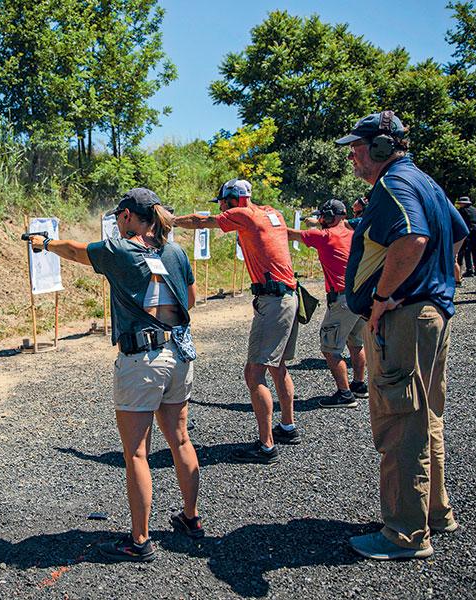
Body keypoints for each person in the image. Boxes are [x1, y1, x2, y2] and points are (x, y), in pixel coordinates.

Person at [28, 188, 201, 562]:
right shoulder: (174, 251)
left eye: (119, 216)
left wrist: (45, 244)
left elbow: (75, 250)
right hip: (179, 352)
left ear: (126, 216)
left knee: (137, 453)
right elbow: (189, 298)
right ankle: (191, 518)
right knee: (181, 440)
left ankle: (139, 541)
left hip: (142, 360)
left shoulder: (121, 250)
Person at [337, 110, 468, 560]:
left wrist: (383, 296)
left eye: (358, 147)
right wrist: (444, 275)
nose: (352, 156)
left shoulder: (394, 185)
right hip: (429, 312)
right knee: (427, 415)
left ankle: (405, 531)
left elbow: (411, 238)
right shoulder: (426, 181)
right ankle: (435, 512)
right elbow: (458, 229)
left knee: (401, 420)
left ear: (379, 148)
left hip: (406, 317)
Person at [174, 179, 300, 464]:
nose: (220, 207)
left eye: (222, 201)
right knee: (278, 366)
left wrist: (170, 219)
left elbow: (200, 221)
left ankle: (266, 446)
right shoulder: (272, 213)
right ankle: (287, 427)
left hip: (273, 300)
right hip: (288, 295)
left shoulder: (243, 214)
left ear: (234, 200)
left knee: (254, 373)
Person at [287, 199, 367, 408]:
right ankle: (359, 384)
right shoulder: (352, 234)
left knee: (330, 348)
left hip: (342, 300)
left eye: (324, 216)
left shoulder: (324, 236)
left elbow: (287, 234)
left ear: (330, 216)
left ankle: (344, 394)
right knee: (356, 342)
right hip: (360, 297)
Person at [455, 197, 476, 277]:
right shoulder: (474, 210)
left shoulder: (461, 211)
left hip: (468, 231)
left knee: (467, 251)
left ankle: (469, 270)